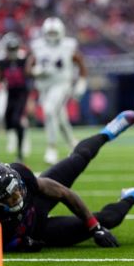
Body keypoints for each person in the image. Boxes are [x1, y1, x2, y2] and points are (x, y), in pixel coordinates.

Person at [0, 111, 134, 252]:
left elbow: (63, 193)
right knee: (109, 219)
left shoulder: (20, 176)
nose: (17, 196)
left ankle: (108, 132)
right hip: (39, 230)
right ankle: (132, 196)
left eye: (16, 189)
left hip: (36, 204)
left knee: (77, 160)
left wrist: (93, 227)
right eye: (9, 196)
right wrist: (22, 243)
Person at [26, 17, 88, 164]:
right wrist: (36, 72)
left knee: (49, 111)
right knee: (59, 117)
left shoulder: (68, 45)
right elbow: (28, 68)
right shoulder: (38, 46)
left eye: (55, 33)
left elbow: (81, 64)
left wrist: (81, 83)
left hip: (62, 85)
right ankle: (73, 143)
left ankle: (51, 147)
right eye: (50, 33)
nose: (52, 36)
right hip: (44, 87)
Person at [0, 32, 31, 161]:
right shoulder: (2, 62)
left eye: (14, 48)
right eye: (10, 49)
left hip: (21, 93)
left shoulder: (23, 59)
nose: (13, 51)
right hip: (10, 92)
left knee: (16, 120)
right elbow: (0, 78)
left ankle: (20, 153)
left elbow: (29, 75)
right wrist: (0, 83)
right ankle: (22, 133)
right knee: (8, 122)